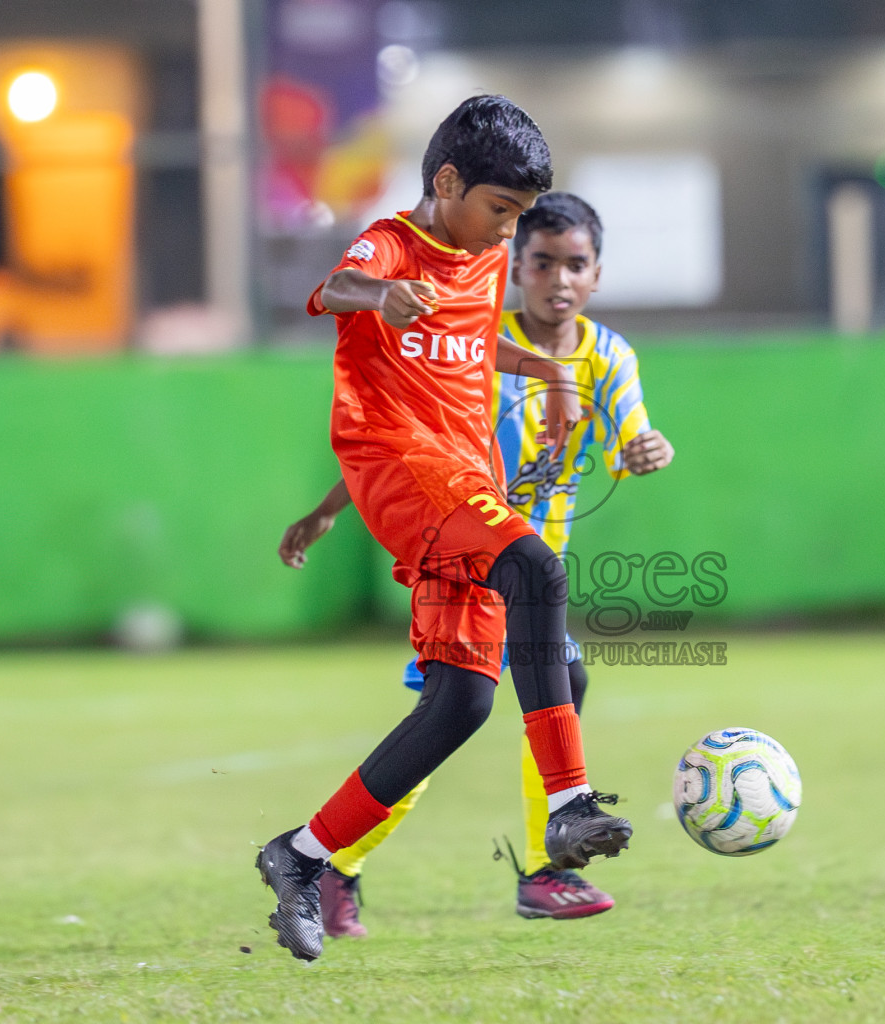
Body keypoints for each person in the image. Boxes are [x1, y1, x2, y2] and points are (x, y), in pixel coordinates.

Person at [254, 96, 633, 963]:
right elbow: (334, 288)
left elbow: (468, 345)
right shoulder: (391, 245)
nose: (506, 236)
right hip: (399, 464)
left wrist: (547, 368)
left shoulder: (482, 257)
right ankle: (569, 801)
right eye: (499, 212)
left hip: (461, 481)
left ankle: (301, 857)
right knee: (536, 571)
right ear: (448, 182)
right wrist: (380, 294)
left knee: (461, 702)